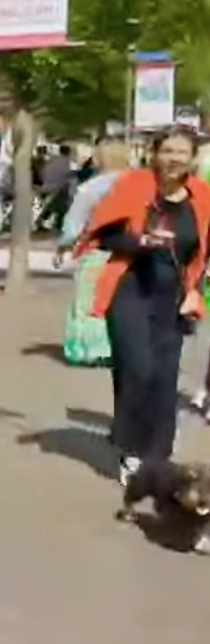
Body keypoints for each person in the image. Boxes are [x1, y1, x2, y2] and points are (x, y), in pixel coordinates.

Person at [75, 127, 210, 487]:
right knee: (137, 368)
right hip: (130, 289)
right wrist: (141, 241)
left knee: (165, 378)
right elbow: (104, 234)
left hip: (174, 297)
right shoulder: (134, 186)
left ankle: (158, 456)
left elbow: (202, 252)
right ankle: (131, 450)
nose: (174, 159)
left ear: (192, 158)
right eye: (168, 151)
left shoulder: (202, 196)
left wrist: (195, 291)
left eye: (182, 152)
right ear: (154, 154)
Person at [56, 138, 129, 366]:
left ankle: (91, 350)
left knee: (89, 301)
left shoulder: (91, 188)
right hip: (133, 252)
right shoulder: (140, 185)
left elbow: (73, 225)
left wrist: (63, 246)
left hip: (98, 250)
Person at [39, 145, 75, 232]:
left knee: (51, 206)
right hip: (58, 187)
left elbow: (43, 172)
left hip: (46, 185)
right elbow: (66, 175)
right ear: (69, 152)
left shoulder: (52, 159)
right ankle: (58, 224)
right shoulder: (66, 161)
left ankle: (42, 221)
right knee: (62, 205)